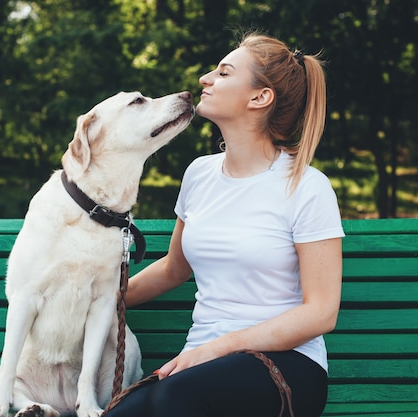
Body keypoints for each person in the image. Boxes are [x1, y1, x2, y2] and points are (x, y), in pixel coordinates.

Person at [103, 32, 344, 417]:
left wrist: (220, 346)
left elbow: (321, 312)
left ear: (259, 97)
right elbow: (173, 268)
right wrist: (99, 302)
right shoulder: (199, 174)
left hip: (288, 366)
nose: (205, 79)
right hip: (201, 365)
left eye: (224, 72)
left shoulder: (306, 186)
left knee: (174, 399)